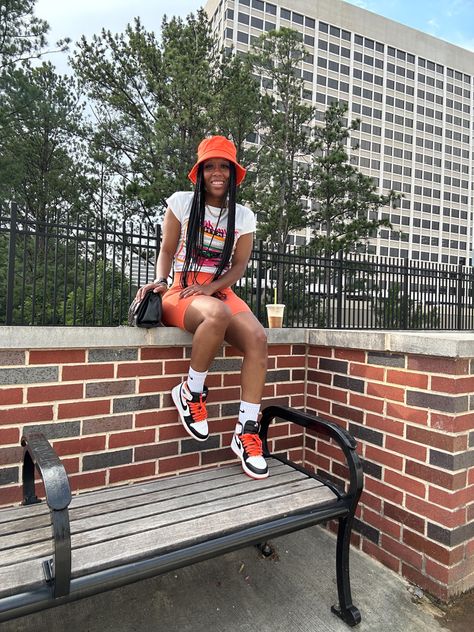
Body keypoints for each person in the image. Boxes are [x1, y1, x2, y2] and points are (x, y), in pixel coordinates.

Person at [136, 136, 269, 479]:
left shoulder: (243, 216)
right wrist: (162, 280)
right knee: (217, 314)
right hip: (182, 289)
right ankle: (191, 392)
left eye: (223, 166)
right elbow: (167, 250)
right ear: (200, 172)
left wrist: (211, 287)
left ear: (233, 173)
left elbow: (238, 266)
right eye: (210, 166)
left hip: (216, 291)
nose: (217, 173)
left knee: (257, 338)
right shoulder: (181, 203)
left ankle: (246, 432)